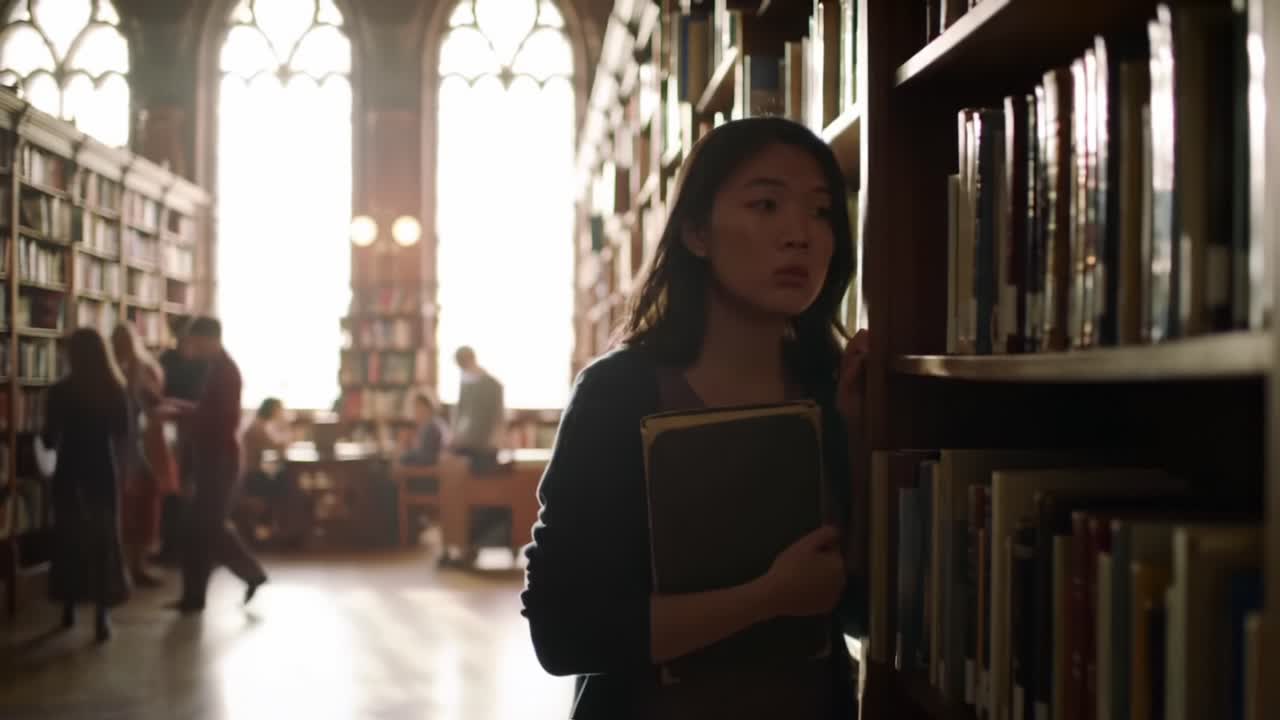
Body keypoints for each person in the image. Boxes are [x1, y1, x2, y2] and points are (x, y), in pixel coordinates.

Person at [520, 117, 870, 719]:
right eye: (766, 205)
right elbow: (564, 631)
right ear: (696, 232)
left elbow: (864, 611)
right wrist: (766, 598)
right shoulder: (618, 394)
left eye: (821, 212)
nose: (801, 235)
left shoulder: (833, 391)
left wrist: (865, 441)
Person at [42, 328, 133, 642]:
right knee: (103, 540)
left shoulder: (59, 391)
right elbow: (123, 432)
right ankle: (101, 616)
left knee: (68, 538)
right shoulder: (114, 389)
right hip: (101, 469)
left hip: (69, 469)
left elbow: (50, 438)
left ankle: (68, 607)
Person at [173, 316, 268, 613]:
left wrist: (181, 414)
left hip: (218, 459)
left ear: (209, 339)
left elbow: (220, 421)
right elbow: (210, 414)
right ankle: (197, 595)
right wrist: (184, 409)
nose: (191, 347)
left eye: (195, 341)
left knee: (205, 526)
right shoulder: (218, 368)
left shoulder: (225, 372)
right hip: (213, 457)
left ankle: (246, 576)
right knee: (204, 527)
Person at [111, 324, 176, 586]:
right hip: (125, 447)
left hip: (140, 445)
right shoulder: (117, 370)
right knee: (129, 508)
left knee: (142, 506)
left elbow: (153, 403)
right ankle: (130, 567)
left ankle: (136, 564)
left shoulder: (140, 369)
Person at [153, 330, 210, 565]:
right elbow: (159, 392)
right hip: (168, 433)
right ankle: (171, 547)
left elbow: (206, 404)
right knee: (171, 492)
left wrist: (177, 406)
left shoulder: (205, 364)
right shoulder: (168, 359)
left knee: (190, 492)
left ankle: (187, 549)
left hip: (194, 435)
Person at [241, 397, 304, 543]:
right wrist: (286, 426)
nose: (281, 412)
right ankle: (283, 529)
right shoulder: (258, 427)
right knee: (287, 483)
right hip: (252, 477)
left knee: (284, 478)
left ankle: (279, 526)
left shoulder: (259, 424)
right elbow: (277, 446)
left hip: (253, 474)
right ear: (272, 410)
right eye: (279, 409)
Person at [448, 346, 505, 473]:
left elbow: (498, 417)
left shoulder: (493, 385)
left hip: (485, 444)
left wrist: (497, 440)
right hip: (467, 441)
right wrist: (454, 435)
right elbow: (460, 413)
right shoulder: (465, 384)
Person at [401, 392, 448, 467]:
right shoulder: (434, 423)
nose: (415, 412)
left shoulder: (431, 427)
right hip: (432, 467)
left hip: (429, 471)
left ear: (427, 408)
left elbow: (424, 457)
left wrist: (402, 457)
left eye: (417, 407)